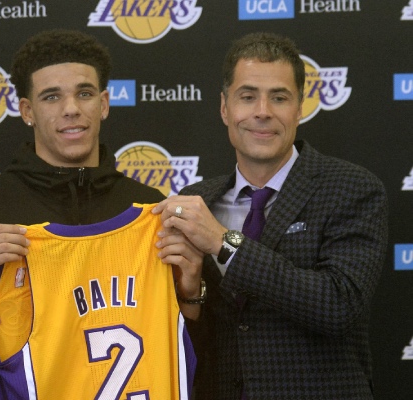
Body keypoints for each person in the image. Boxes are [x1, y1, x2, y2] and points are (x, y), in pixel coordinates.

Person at [0, 29, 203, 399]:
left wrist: (191, 294)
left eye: (84, 93)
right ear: (27, 111)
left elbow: (193, 361)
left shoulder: (149, 209)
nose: (71, 108)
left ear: (104, 103)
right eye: (51, 96)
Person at [153, 32, 388, 399]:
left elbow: (338, 305)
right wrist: (189, 294)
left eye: (279, 97)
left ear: (299, 108)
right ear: (224, 108)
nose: (262, 111)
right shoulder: (196, 202)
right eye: (247, 97)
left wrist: (223, 243)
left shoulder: (353, 188)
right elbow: (180, 347)